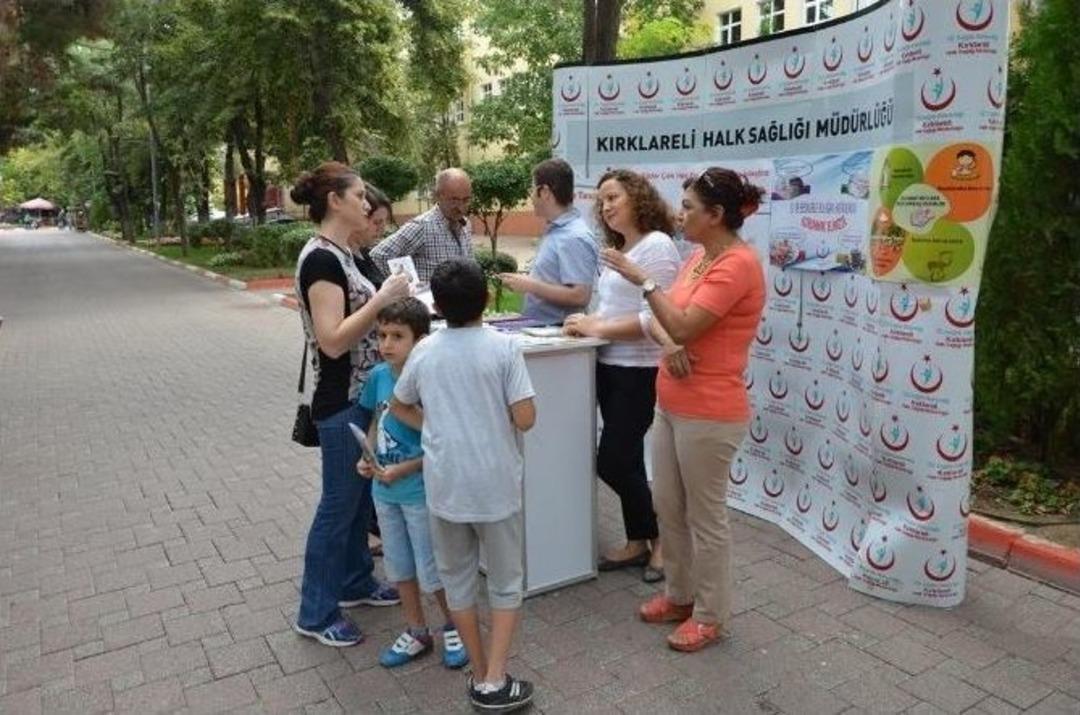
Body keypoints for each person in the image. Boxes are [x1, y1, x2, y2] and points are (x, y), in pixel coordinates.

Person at [601, 167, 767, 652]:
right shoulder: (698, 257)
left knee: (706, 517)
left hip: (711, 412)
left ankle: (711, 616)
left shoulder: (737, 265)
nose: (680, 213)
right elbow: (665, 323)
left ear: (716, 216)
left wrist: (644, 282)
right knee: (669, 507)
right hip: (672, 403)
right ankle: (679, 596)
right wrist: (669, 333)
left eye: (690, 207)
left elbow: (683, 322)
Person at [390, 258, 537, 712]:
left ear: (436, 305)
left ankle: (477, 671)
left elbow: (399, 405)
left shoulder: (425, 351)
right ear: (485, 300)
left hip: (445, 487)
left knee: (458, 582)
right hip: (495, 485)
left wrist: (434, 422)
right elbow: (525, 418)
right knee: (507, 581)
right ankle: (495, 677)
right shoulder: (504, 347)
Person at [290, 161, 412, 647]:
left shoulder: (344, 253)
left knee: (360, 501)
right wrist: (381, 301)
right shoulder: (321, 259)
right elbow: (333, 341)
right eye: (359, 195)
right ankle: (315, 613)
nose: (367, 203)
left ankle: (355, 582)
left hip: (362, 398)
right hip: (340, 402)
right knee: (339, 506)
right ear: (335, 201)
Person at [563, 169, 681, 583]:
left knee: (612, 461)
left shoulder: (658, 246)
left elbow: (656, 317)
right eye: (601, 201)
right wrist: (588, 320)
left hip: (639, 369)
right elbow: (614, 309)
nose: (606, 206)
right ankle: (637, 541)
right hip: (608, 365)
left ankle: (662, 539)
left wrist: (596, 328)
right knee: (626, 459)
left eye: (613, 197)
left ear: (638, 197)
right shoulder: (618, 249)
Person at [356, 297, 469, 670]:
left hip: (419, 491)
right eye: (381, 335)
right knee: (399, 566)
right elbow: (377, 420)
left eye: (397, 336)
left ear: (420, 341)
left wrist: (403, 470)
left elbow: (439, 444)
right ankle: (417, 631)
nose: (386, 344)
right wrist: (367, 455)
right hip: (383, 491)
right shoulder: (377, 377)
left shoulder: (428, 381)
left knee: (431, 567)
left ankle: (454, 626)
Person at [498, 158, 598, 324]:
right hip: (543, 333)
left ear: (544, 192)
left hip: (559, 335)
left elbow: (580, 296)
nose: (530, 197)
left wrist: (530, 286)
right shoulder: (556, 231)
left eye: (532, 189)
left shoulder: (574, 236)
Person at [370, 168, 473, 282]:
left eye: (466, 200)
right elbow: (379, 256)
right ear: (438, 196)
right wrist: (410, 290)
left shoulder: (465, 225)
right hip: (429, 300)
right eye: (454, 200)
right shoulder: (422, 227)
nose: (461, 207)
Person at [352, 182, 394, 289]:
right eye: (376, 222)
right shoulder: (340, 259)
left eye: (384, 222)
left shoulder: (363, 252)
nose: (382, 229)